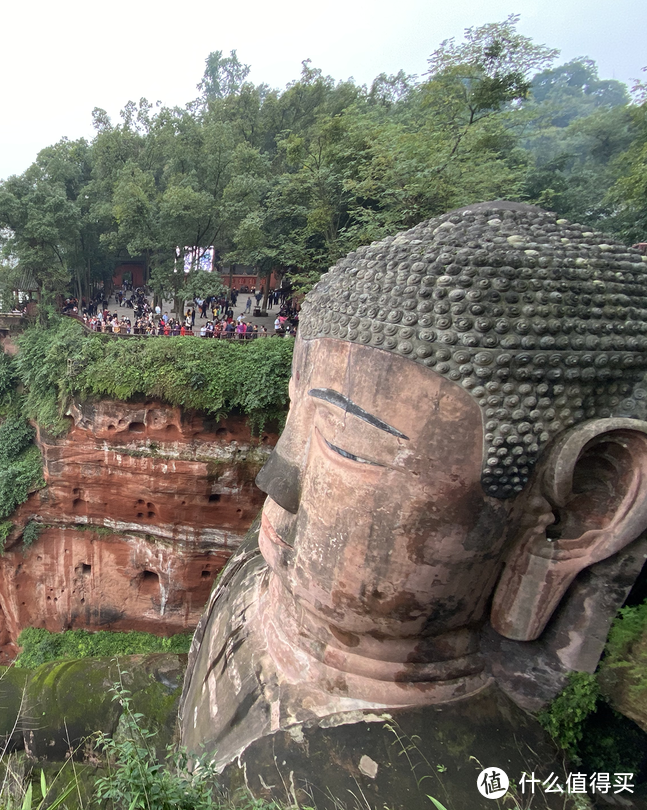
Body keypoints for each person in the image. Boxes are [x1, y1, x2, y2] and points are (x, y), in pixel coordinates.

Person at [179, 202, 647, 800]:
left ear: (584, 507)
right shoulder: (257, 583)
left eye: (343, 442)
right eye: (294, 419)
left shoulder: (465, 781)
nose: (276, 476)